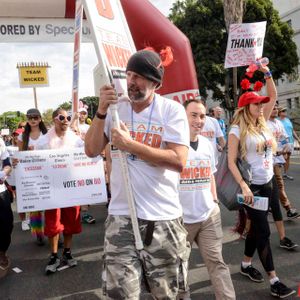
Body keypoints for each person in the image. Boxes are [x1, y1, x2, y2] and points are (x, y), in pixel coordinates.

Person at [85, 49, 190, 299]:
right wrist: (100, 111)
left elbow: (178, 161)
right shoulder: (115, 109)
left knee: (167, 293)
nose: (131, 81)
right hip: (121, 218)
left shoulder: (171, 111)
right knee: (120, 294)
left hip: (163, 219)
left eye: (139, 76)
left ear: (155, 81)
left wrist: (130, 145)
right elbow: (90, 149)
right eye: (130, 74)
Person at [228, 65, 295, 298]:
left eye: (261, 103)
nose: (262, 106)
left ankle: (246, 265)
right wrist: (244, 186)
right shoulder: (236, 130)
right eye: (257, 103)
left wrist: (267, 72)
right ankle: (274, 280)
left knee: (257, 230)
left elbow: (274, 95)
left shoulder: (262, 123)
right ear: (247, 106)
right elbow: (230, 162)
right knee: (264, 232)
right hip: (251, 188)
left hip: (268, 184)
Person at [178, 99, 236, 300]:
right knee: (179, 269)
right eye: (193, 115)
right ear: (183, 117)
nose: (199, 120)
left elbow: (210, 174)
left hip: (208, 216)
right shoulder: (172, 144)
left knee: (217, 264)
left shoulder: (206, 144)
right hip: (180, 220)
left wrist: (214, 202)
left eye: (202, 116)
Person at [36, 108, 83, 274]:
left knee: (71, 221)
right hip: (52, 188)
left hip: (71, 187)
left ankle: (67, 252)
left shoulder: (76, 139)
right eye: (62, 117)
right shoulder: (43, 141)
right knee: (53, 222)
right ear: (55, 119)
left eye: (68, 117)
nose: (65, 120)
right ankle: (54, 255)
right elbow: (35, 164)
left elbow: (86, 156)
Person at [17, 109, 48, 245]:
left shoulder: (47, 134)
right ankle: (38, 234)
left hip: (48, 174)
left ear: (40, 119)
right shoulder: (22, 137)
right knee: (35, 208)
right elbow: (19, 155)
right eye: (30, 118)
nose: (33, 120)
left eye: (35, 117)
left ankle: (54, 233)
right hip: (30, 176)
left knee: (51, 206)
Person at [267, 105, 299, 220]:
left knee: (276, 185)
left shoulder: (279, 123)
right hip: (266, 161)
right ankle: (287, 208)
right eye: (273, 108)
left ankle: (283, 208)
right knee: (273, 185)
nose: (275, 110)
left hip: (277, 159)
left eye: (276, 108)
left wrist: (286, 147)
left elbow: (284, 138)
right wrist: (276, 151)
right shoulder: (264, 123)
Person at [0, 137, 13, 279]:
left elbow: (7, 163)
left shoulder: (0, 142)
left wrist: (4, 172)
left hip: (1, 191)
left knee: (6, 225)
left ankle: (2, 252)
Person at [278, 107, 300, 180]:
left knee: (288, 158)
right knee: (284, 157)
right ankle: (278, 174)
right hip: (282, 142)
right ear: (279, 113)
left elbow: (292, 130)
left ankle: (285, 174)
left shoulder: (287, 120)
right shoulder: (277, 120)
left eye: (285, 110)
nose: (285, 112)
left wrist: (297, 138)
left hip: (290, 141)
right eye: (283, 111)